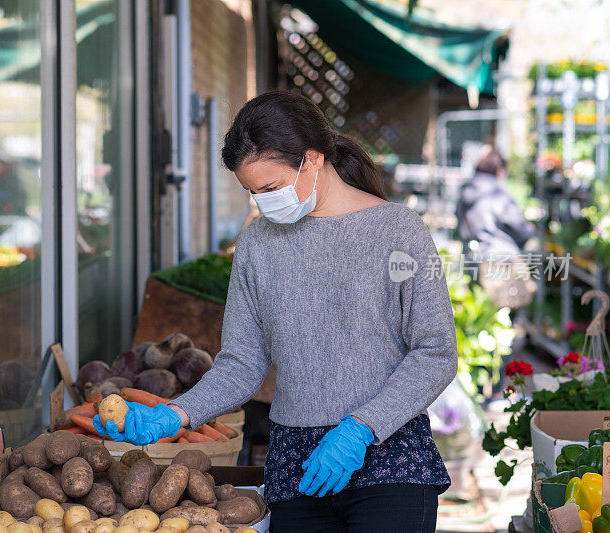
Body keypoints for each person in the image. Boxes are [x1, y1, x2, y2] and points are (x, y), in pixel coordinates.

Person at [95, 91, 457, 532]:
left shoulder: (399, 231)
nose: (261, 203)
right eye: (251, 192)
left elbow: (435, 353)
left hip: (390, 456)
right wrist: (175, 414)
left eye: (269, 189)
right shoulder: (257, 245)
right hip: (296, 464)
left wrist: (360, 428)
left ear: (312, 160)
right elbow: (242, 365)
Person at [456, 147, 538, 309]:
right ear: (499, 169)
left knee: (482, 314)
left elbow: (460, 225)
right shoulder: (497, 193)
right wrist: (529, 231)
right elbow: (517, 226)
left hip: (474, 258)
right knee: (508, 313)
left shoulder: (466, 192)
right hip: (502, 261)